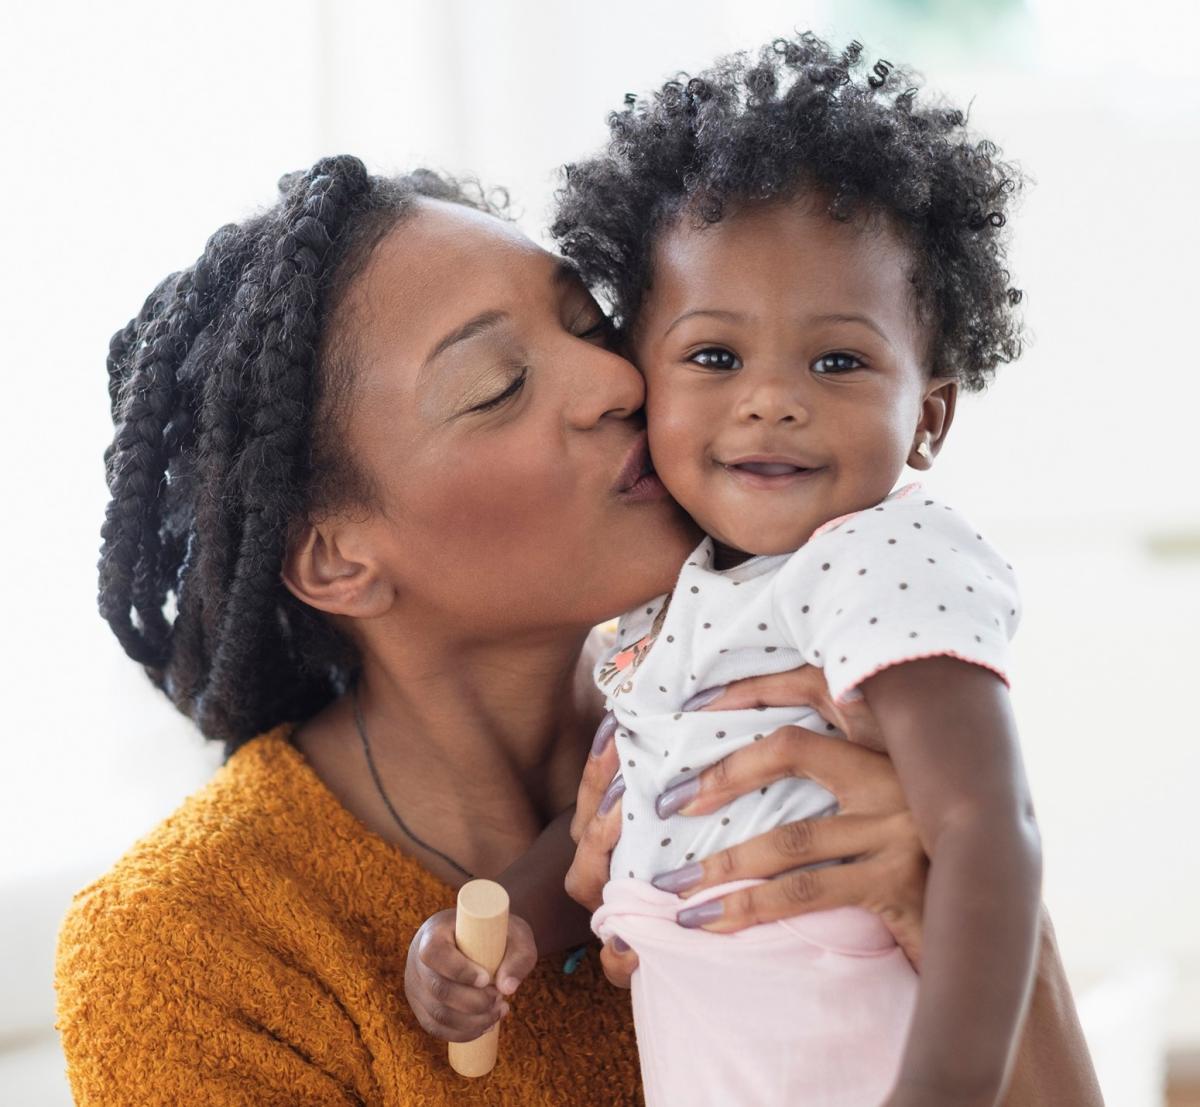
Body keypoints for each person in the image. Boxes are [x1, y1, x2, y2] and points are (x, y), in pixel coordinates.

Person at [55, 150, 1100, 1107]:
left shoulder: (803, 722)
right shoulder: (189, 949)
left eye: (595, 326)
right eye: (499, 386)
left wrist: (949, 911)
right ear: (336, 560)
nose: (619, 382)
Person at [551, 31, 1042, 1106]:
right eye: (716, 357)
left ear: (930, 418)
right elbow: (622, 800)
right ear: (643, 379)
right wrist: (484, 925)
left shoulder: (880, 553)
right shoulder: (666, 590)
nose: (771, 399)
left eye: (838, 361)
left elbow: (985, 832)